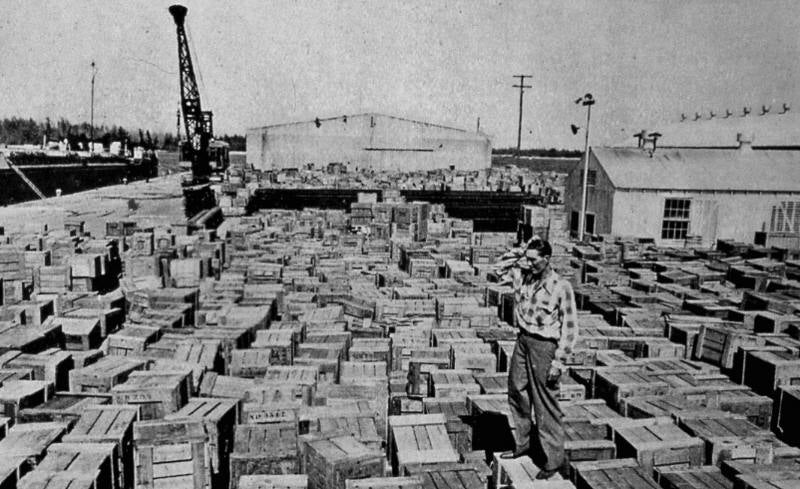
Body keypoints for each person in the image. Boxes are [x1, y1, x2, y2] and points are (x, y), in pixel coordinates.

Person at [495, 236, 578, 480]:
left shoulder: (561, 287)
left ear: (547, 259)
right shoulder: (524, 277)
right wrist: (522, 251)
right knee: (516, 390)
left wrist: (559, 362)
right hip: (523, 341)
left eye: (534, 261)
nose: (529, 264)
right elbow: (498, 267)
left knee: (545, 403)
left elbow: (570, 328)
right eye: (527, 260)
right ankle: (523, 444)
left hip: (544, 347)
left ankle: (553, 459)